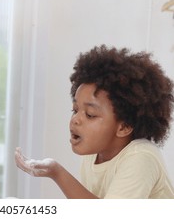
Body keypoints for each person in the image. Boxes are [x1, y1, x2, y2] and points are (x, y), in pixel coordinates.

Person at [15, 45, 174, 198]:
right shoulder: (93, 155)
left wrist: (57, 173)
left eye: (90, 114)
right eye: (75, 110)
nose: (76, 119)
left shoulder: (141, 157)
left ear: (124, 126)